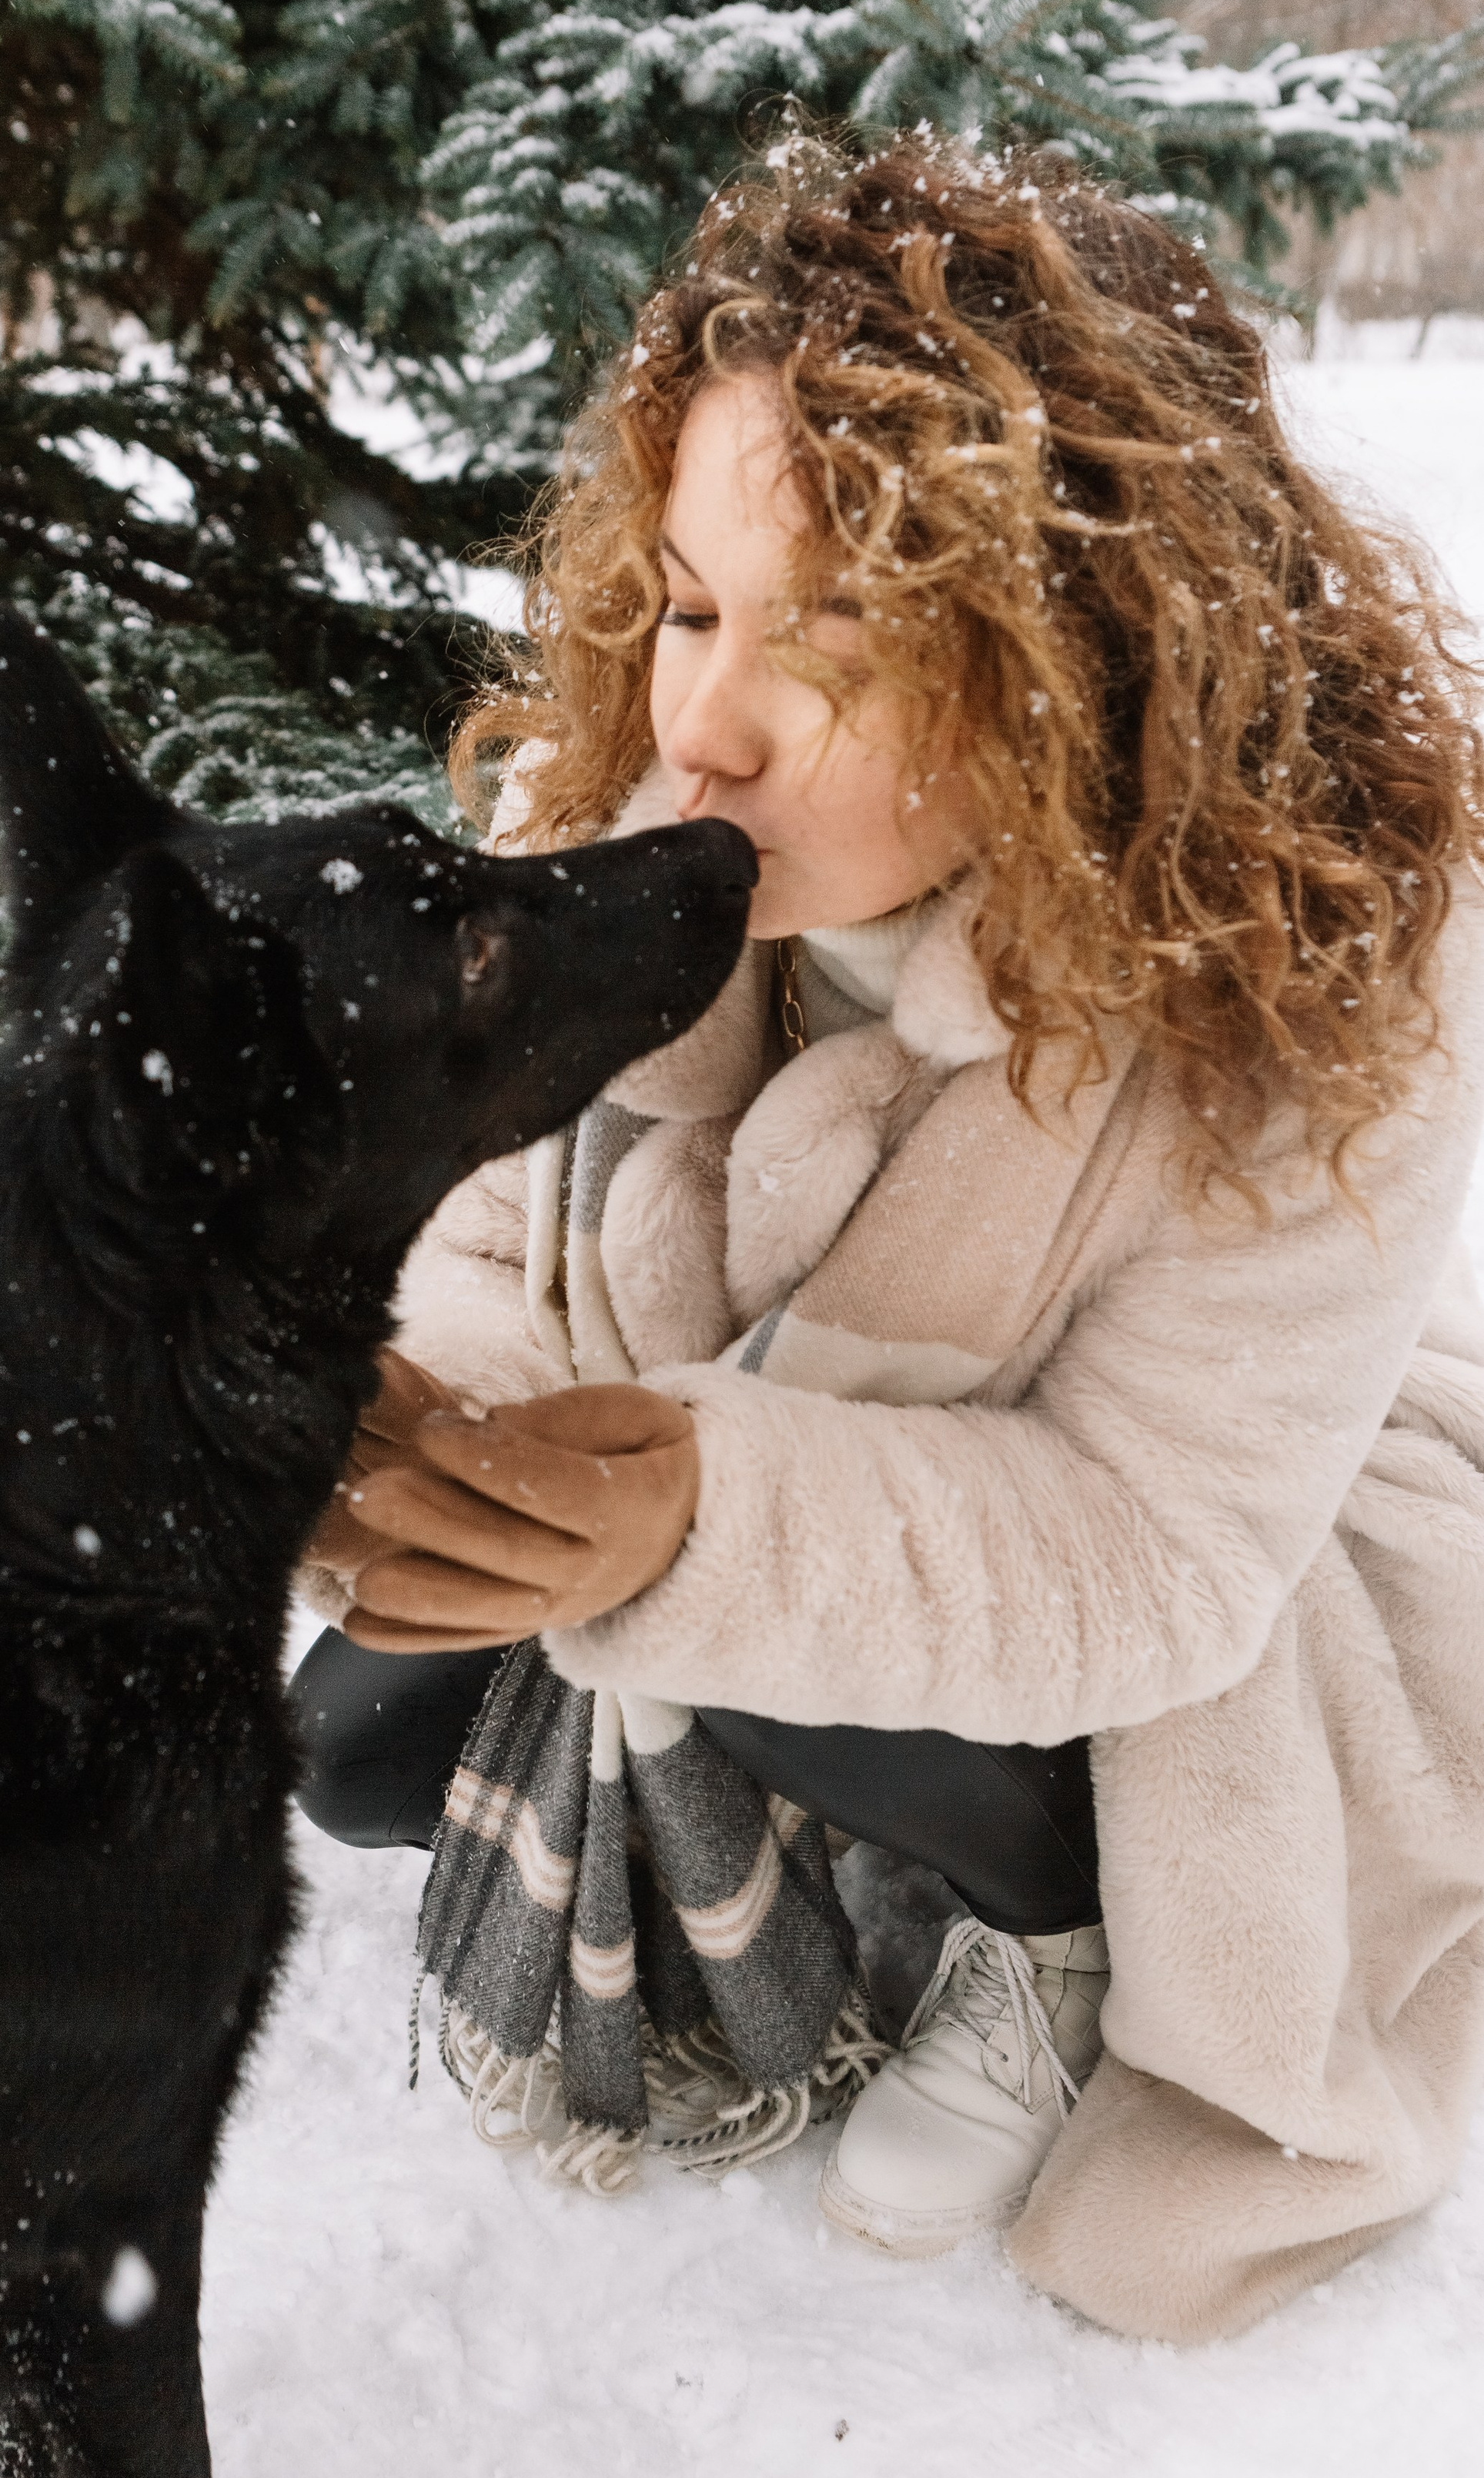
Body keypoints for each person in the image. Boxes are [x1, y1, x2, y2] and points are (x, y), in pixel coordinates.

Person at [289, 132, 1484, 2344]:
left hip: (1213, 1575)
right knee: (357, 1743)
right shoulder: (632, 826)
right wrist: (437, 1425)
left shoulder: (1320, 983)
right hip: (745, 1452)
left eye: (833, 627)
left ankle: (1059, 1930)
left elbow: (1152, 1546)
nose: (704, 719)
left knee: (764, 1631)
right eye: (691, 601)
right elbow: (472, 1224)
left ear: (1077, 640)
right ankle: (793, 1752)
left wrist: (688, 1525)